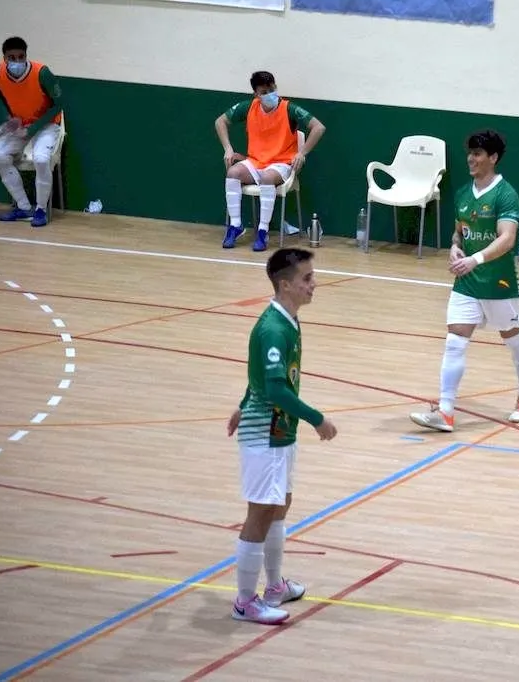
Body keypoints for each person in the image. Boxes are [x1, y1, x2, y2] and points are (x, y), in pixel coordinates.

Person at [225, 247, 338, 625]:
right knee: (260, 512)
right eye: (307, 279)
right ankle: (244, 601)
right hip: (266, 434)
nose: (313, 284)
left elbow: (257, 376)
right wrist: (316, 418)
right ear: (285, 285)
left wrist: (243, 402)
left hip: (279, 432)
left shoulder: (288, 320)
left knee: (280, 504)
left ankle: (274, 586)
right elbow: (274, 390)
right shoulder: (273, 328)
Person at [409, 130, 519, 432]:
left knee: (513, 339)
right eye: (470, 153)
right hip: (466, 282)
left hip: (498, 283)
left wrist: (474, 259)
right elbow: (460, 232)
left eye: (478, 154)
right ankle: (446, 411)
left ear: (493, 158)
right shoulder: (464, 193)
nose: (471, 158)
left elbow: (507, 239)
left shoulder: (506, 194)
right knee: (455, 341)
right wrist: (455, 247)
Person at [216, 71, 326, 252]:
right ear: (256, 94)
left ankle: (262, 231)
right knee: (233, 173)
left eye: (272, 89)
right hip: (255, 162)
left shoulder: (289, 109)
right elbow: (220, 122)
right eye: (264, 91)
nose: (270, 94)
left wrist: (302, 152)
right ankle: (235, 226)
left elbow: (318, 127)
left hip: (281, 164)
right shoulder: (248, 107)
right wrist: (228, 148)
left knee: (267, 178)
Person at [0, 36, 64, 228]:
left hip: (46, 124)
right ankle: (23, 207)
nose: (16, 61)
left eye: (20, 56)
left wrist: (33, 128)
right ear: (4, 58)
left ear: (26, 55)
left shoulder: (42, 73)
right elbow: (2, 96)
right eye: (11, 57)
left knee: (41, 159)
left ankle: (40, 210)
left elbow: (60, 105)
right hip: (20, 124)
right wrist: (12, 117)